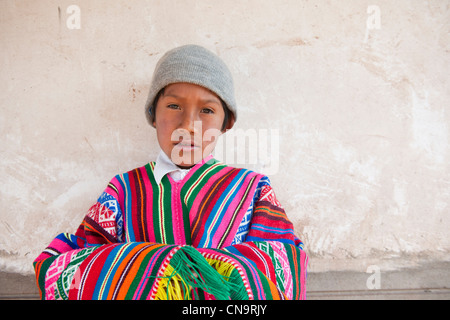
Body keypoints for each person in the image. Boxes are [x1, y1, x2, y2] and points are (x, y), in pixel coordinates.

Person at [33, 44, 308, 300]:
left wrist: (215, 269)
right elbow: (75, 262)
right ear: (153, 114)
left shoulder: (251, 189)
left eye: (207, 110)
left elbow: (285, 262)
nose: (188, 125)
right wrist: (157, 261)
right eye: (174, 106)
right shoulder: (123, 190)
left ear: (227, 122)